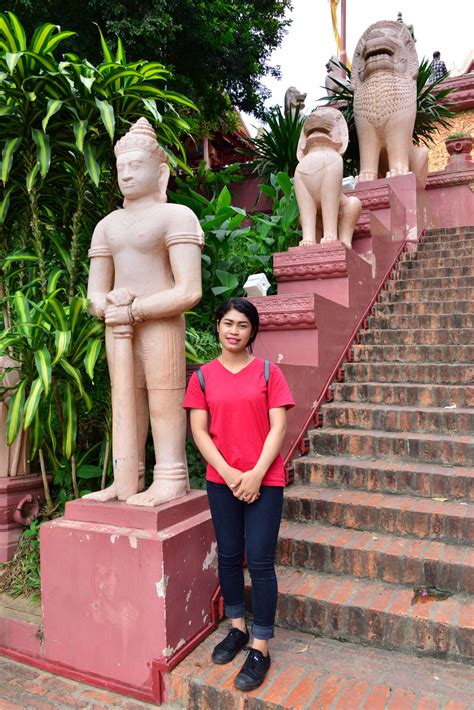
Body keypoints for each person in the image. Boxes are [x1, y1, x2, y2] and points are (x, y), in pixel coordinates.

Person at [86, 117, 204, 506]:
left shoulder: (177, 216)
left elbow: (188, 290)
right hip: (119, 325)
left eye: (136, 166)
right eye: (121, 168)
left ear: (161, 173)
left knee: (163, 398)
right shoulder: (106, 226)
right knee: (125, 398)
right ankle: (126, 476)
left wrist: (136, 310)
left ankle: (171, 475)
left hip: (159, 324)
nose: (127, 174)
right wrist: (108, 306)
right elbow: (94, 294)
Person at [183, 297, 294, 692]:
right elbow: (199, 431)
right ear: (217, 326)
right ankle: (236, 628)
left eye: (242, 325)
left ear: (252, 332)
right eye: (228, 323)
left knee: (260, 560)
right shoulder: (202, 378)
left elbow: (277, 427)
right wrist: (231, 474)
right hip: (222, 480)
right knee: (229, 555)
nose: (234, 330)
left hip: (265, 480)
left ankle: (261, 646)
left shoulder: (268, 372)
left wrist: (256, 474)